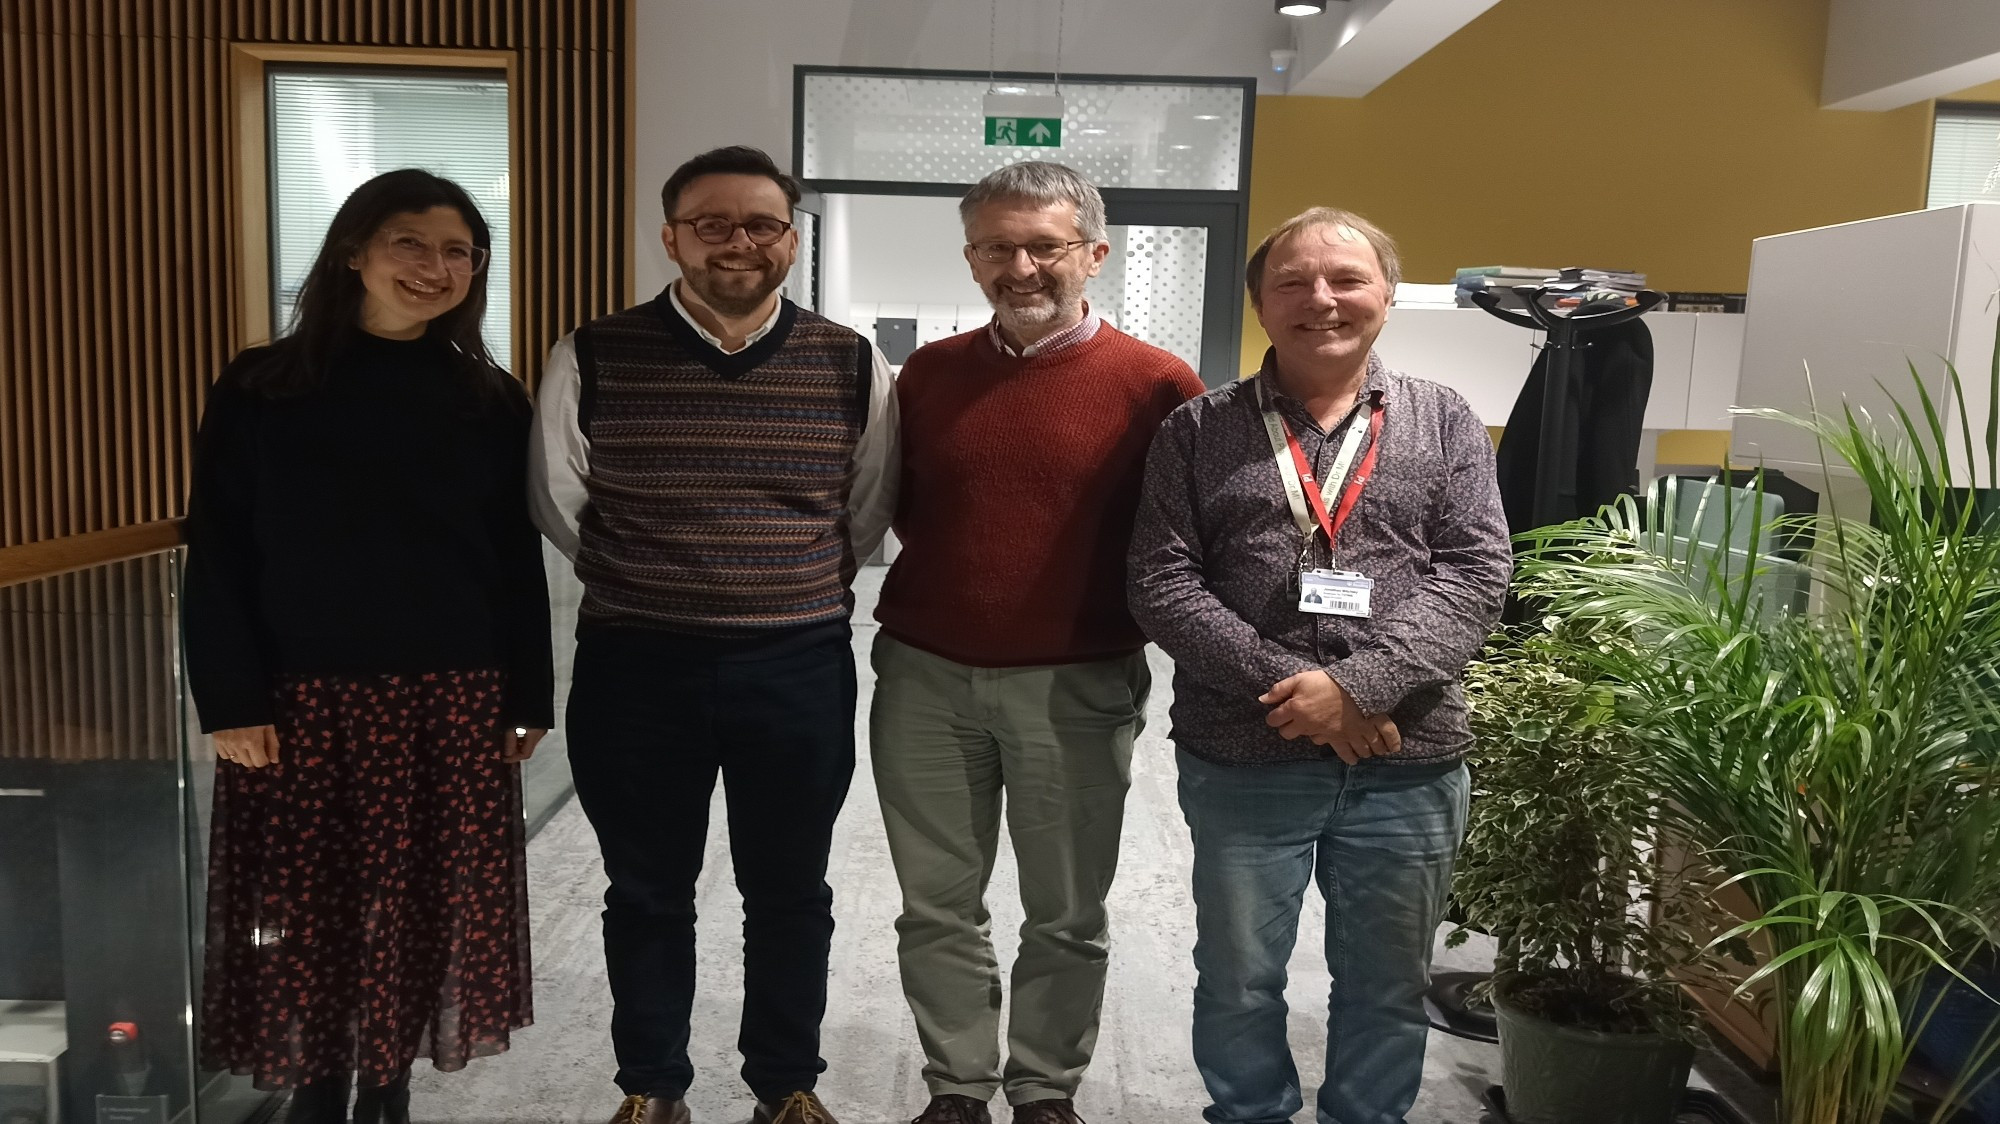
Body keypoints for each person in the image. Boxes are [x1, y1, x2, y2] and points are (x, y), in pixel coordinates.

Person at [528, 145, 896, 1124]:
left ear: (790, 237)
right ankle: (651, 1082)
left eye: (761, 224)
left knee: (790, 886)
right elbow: (559, 500)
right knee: (645, 885)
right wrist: (653, 575)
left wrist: (779, 582)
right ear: (671, 237)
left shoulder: (848, 358)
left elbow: (865, 508)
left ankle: (785, 1080)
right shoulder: (594, 352)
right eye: (712, 224)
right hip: (633, 664)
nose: (738, 242)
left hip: (796, 663)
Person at [182, 168, 554, 1124]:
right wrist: (230, 700)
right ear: (353, 250)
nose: (436, 267)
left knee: (422, 904)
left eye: (459, 251)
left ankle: (385, 1093)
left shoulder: (489, 398)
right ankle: (315, 1094)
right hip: (302, 702)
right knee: (308, 915)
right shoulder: (262, 385)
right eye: (411, 243)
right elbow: (218, 549)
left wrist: (528, 697)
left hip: (451, 694)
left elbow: (514, 564)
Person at [1128, 207, 1511, 1124]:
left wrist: (1359, 689)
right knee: (1239, 979)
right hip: (1244, 751)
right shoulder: (1198, 428)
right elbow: (1161, 580)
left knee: (1385, 985)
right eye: (1294, 282)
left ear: (1386, 292)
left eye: (1346, 279)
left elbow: (1478, 572)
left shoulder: (1444, 418)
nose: (1321, 300)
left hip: (1405, 758)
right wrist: (1299, 692)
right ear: (1261, 301)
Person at [870, 162, 1205, 1124]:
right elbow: (897, 509)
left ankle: (1045, 1089)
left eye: (1043, 246)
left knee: (1064, 911)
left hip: (1078, 685)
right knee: (937, 904)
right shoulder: (930, 374)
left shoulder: (1157, 384)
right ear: (971, 256)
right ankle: (958, 1087)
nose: (1019, 266)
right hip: (925, 679)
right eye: (994, 247)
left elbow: (1181, 538)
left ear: (1093, 254)